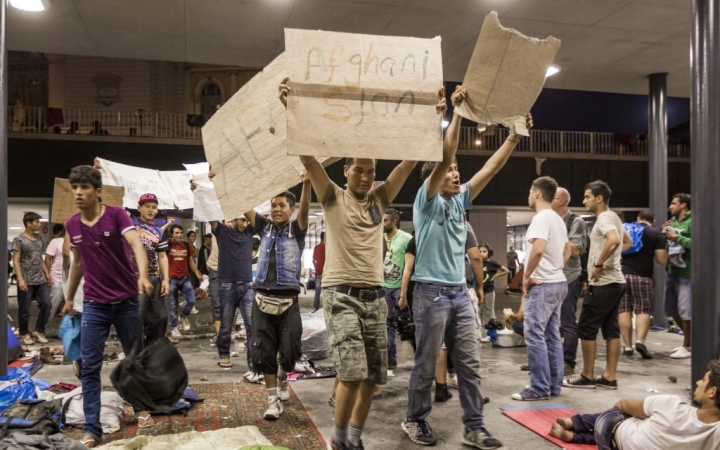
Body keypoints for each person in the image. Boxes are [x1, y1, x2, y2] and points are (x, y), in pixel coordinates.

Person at [279, 76, 445, 450]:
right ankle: (338, 441)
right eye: (360, 170)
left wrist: (434, 118)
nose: (367, 177)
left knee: (373, 379)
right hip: (340, 295)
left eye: (371, 171)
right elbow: (307, 154)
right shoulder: (333, 197)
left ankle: (353, 438)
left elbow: (411, 160)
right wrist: (290, 106)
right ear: (346, 171)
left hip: (374, 298)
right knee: (352, 374)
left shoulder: (380, 199)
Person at [404, 82, 531, 449]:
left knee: (471, 364)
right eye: (451, 170)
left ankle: (474, 428)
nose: (456, 173)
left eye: (458, 170)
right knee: (426, 365)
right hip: (429, 293)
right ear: (434, 177)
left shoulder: (461, 202)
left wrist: (514, 136)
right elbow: (443, 157)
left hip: (459, 293)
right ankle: (415, 420)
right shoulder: (425, 203)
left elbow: (491, 168)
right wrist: (457, 113)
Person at [62, 165, 153, 448]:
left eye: (84, 187)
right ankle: (92, 429)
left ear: (97, 192)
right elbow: (77, 262)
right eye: (75, 187)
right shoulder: (72, 224)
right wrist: (68, 297)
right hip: (94, 305)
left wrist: (143, 276)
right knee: (89, 367)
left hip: (127, 302)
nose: (78, 192)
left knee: (134, 359)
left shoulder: (116, 215)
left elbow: (137, 245)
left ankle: (141, 407)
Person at [245, 174, 311, 420]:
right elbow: (243, 206)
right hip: (261, 297)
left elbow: (305, 210)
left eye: (282, 205)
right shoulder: (264, 227)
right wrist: (223, 179)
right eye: (273, 205)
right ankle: (273, 400)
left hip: (289, 301)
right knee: (263, 351)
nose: (276, 209)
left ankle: (284, 378)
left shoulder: (297, 230)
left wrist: (306, 185)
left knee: (290, 353)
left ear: (291, 210)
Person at [550, 360, 720, 450]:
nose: (698, 382)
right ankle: (575, 434)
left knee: (622, 413)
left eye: (703, 380)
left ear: (712, 392)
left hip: (611, 434)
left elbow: (623, 405)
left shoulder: (672, 404)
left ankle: (577, 423)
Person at [564, 180, 632, 390]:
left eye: (587, 197)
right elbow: (626, 242)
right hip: (616, 281)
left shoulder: (603, 219)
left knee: (586, 327)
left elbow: (613, 241)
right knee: (611, 330)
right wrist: (610, 259)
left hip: (604, 283)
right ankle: (609, 377)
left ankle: (587, 375)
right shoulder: (613, 218)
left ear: (599, 198)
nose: (584, 201)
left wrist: (600, 263)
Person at [511, 177, 570, 401]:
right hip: (558, 282)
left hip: (543, 285)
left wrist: (526, 277)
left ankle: (539, 388)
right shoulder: (557, 219)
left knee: (534, 335)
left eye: (529, 191)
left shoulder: (541, 218)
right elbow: (567, 250)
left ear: (537, 194)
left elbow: (537, 250)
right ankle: (552, 386)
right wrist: (555, 268)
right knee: (551, 336)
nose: (528, 196)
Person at [619, 210, 668, 359]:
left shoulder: (625, 229)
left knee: (624, 309)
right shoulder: (656, 234)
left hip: (622, 275)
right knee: (642, 310)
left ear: (638, 218)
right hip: (643, 277)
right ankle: (640, 341)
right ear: (653, 221)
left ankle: (627, 346)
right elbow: (661, 260)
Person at [551, 187, 588, 376]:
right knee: (549, 323)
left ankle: (568, 362)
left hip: (568, 278)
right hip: (549, 278)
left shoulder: (576, 221)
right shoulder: (548, 219)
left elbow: (575, 250)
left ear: (561, 201)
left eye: (552, 197)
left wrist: (553, 234)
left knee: (567, 322)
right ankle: (550, 360)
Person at [131, 193, 170, 347]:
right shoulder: (129, 223)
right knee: (136, 317)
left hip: (154, 278)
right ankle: (135, 353)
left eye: (154, 207)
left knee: (160, 317)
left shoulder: (159, 232)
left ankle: (152, 349)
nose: (151, 209)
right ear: (139, 207)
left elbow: (162, 257)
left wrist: (165, 279)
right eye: (147, 206)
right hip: (134, 278)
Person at [12, 212, 52, 345]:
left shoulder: (39, 238)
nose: (39, 224)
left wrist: (47, 273)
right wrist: (20, 279)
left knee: (47, 303)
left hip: (39, 279)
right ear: (28, 224)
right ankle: (24, 333)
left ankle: (39, 330)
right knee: (25, 309)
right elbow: (16, 260)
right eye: (37, 222)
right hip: (26, 279)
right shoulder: (19, 240)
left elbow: (40, 258)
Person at [662, 193, 692, 359]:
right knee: (671, 309)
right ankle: (690, 340)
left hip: (686, 273)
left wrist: (676, 236)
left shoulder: (692, 221)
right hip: (672, 271)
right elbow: (669, 242)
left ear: (683, 205)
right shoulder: (673, 222)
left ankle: (687, 346)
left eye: (673, 204)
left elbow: (697, 242)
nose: (670, 207)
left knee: (686, 311)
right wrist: (664, 232)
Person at [383, 208, 413, 372]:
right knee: (388, 325)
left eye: (386, 220)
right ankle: (390, 362)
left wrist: (403, 293)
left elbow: (409, 267)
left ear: (394, 221)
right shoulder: (380, 239)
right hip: (384, 287)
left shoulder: (406, 238)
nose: (383, 223)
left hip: (399, 288)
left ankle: (421, 362)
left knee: (408, 325)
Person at [166, 224, 202, 337]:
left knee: (191, 300)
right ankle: (174, 328)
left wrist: (197, 272)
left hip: (185, 278)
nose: (179, 235)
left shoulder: (186, 245)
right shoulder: (168, 244)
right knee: (173, 306)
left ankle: (183, 316)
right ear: (172, 234)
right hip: (172, 279)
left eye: (181, 232)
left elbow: (190, 261)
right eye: (176, 233)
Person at [477, 242, 509, 343]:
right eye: (480, 251)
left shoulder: (492, 263)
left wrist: (495, 276)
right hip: (479, 290)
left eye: (484, 251)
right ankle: (480, 335)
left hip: (489, 290)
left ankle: (493, 335)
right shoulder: (477, 262)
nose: (482, 253)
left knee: (490, 310)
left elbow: (506, 270)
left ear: (488, 253)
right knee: (479, 311)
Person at [45, 224, 66, 318]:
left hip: (70, 280)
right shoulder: (54, 242)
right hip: (57, 280)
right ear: (62, 231)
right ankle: (41, 329)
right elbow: (48, 259)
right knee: (51, 308)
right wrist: (48, 275)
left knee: (75, 309)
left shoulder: (73, 242)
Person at [312, 232, 326, 313]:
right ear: (325, 238)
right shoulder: (327, 247)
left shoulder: (316, 247)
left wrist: (316, 267)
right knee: (326, 292)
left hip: (318, 272)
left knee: (317, 291)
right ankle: (326, 308)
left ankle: (315, 307)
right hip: (326, 273)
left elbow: (313, 260)